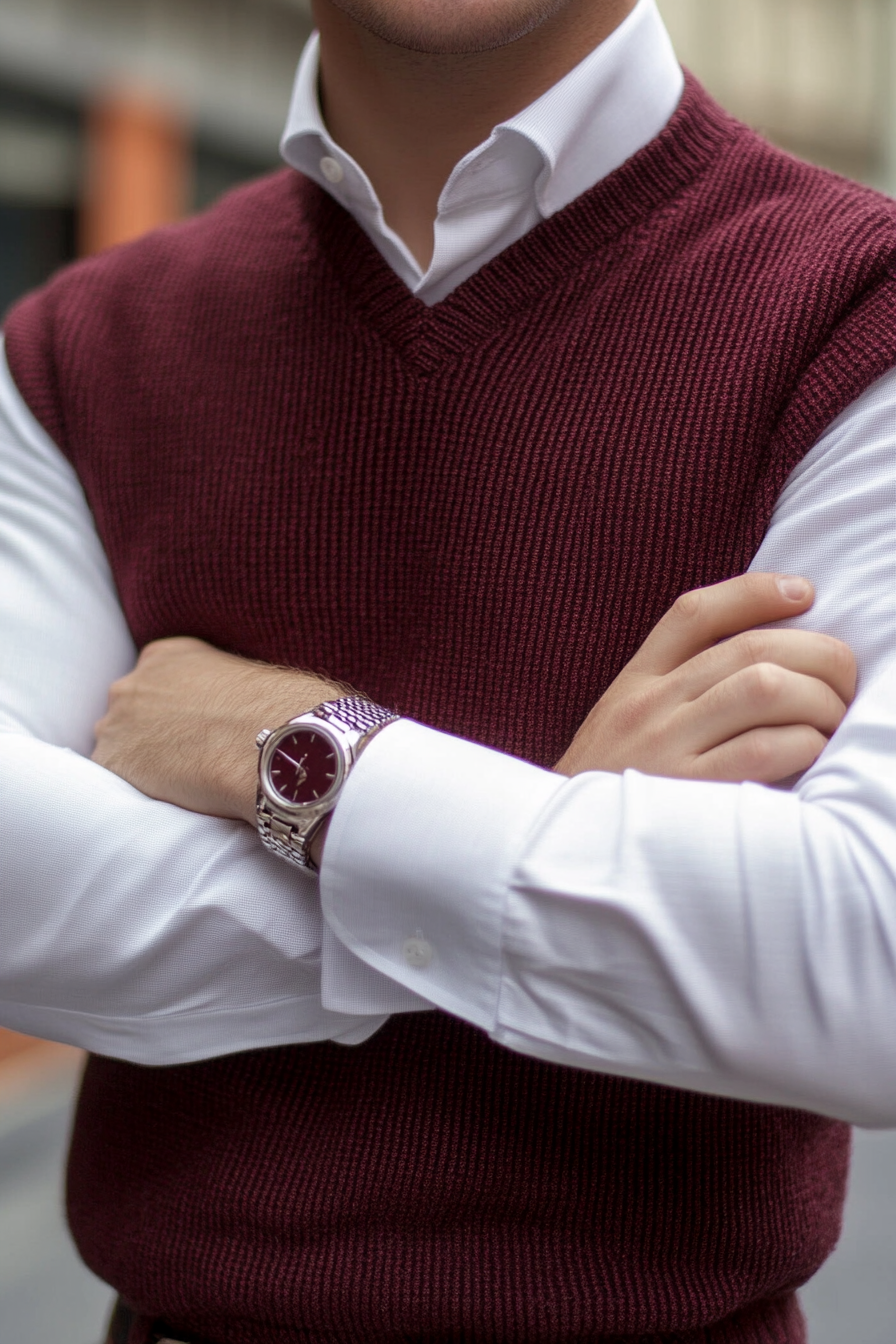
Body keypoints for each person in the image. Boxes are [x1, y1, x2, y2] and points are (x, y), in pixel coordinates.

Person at [2, 0, 896, 1339]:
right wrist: (550, 814)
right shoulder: (80, 346)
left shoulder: (854, 303)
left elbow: (867, 966)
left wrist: (295, 753)